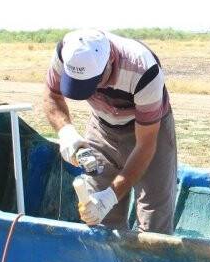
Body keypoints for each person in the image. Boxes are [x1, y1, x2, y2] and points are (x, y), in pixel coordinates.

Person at [42, 29, 177, 234]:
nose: (91, 92)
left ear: (111, 60)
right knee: (100, 219)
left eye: (91, 84)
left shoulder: (143, 70)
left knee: (154, 221)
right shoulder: (66, 52)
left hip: (149, 131)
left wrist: (110, 197)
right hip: (102, 125)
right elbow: (52, 94)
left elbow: (146, 145)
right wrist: (66, 131)